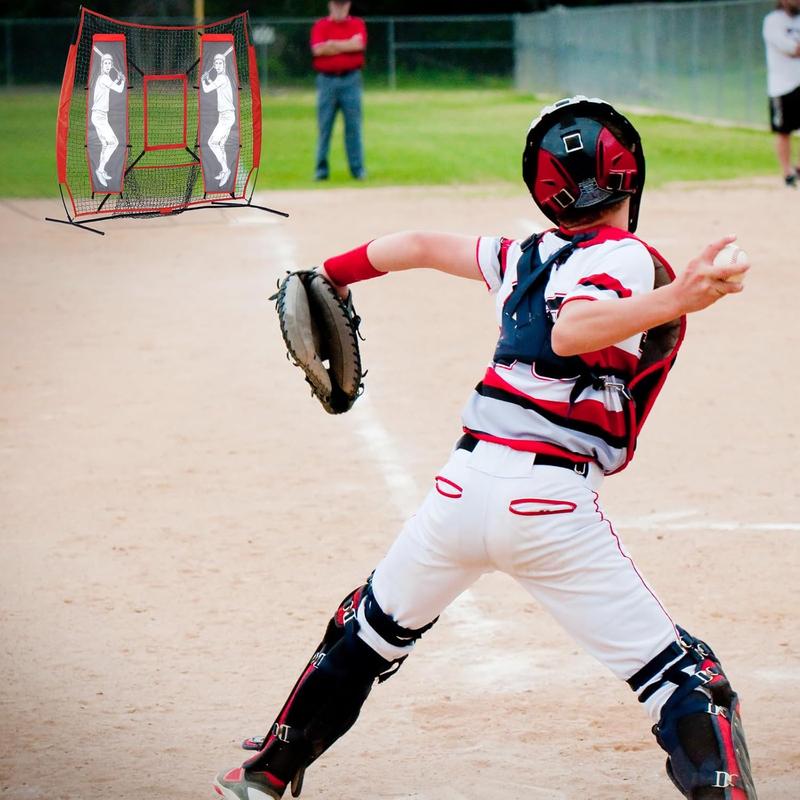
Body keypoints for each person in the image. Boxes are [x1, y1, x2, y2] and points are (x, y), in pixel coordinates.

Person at [213, 96, 757, 800]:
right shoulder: (623, 255)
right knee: (690, 682)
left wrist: (334, 274)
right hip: (549, 507)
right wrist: (676, 297)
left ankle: (265, 774)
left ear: (544, 188)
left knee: (365, 631)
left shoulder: (521, 253)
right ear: (630, 176)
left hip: (459, 496)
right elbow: (573, 329)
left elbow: (412, 244)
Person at [309, 0, 367, 181]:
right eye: (336, 5)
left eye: (342, 5)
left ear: (348, 5)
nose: (339, 8)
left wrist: (332, 44)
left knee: (353, 127)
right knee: (324, 126)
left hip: (351, 79)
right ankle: (321, 170)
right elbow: (318, 50)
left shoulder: (357, 24)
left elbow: (358, 46)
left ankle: (357, 170)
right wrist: (346, 44)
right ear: (330, 5)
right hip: (327, 80)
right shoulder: (320, 26)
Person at [763, 0, 800, 187]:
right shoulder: (773, 21)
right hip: (782, 85)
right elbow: (792, 49)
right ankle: (787, 174)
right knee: (784, 130)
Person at [201, 50, 236, 188]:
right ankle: (224, 170)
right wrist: (208, 79)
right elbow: (216, 88)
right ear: (214, 65)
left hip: (227, 116)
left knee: (212, 143)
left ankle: (226, 170)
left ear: (224, 64)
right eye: (216, 62)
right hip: (225, 115)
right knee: (220, 145)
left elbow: (207, 90)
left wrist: (204, 80)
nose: (218, 64)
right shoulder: (220, 78)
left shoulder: (222, 78)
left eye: (220, 62)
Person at [91, 51, 125, 189]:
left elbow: (110, 87)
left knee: (106, 144)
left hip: (100, 115)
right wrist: (122, 80)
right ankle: (100, 170)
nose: (108, 65)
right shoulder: (104, 78)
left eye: (109, 63)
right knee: (114, 142)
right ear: (102, 64)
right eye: (105, 62)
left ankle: (101, 170)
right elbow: (119, 90)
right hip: (99, 116)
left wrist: (118, 79)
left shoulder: (104, 78)